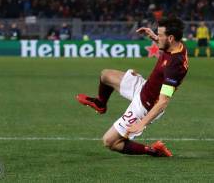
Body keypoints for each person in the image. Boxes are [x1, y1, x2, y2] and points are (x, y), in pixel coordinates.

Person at [75, 16, 189, 156]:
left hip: (145, 106)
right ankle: (101, 104)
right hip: (144, 87)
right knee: (106, 75)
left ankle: (153, 150)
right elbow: (165, 48)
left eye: (160, 35)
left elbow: (163, 101)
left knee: (109, 141)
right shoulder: (176, 46)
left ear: (170, 38)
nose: (157, 37)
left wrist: (142, 123)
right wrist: (153, 37)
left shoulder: (175, 65)